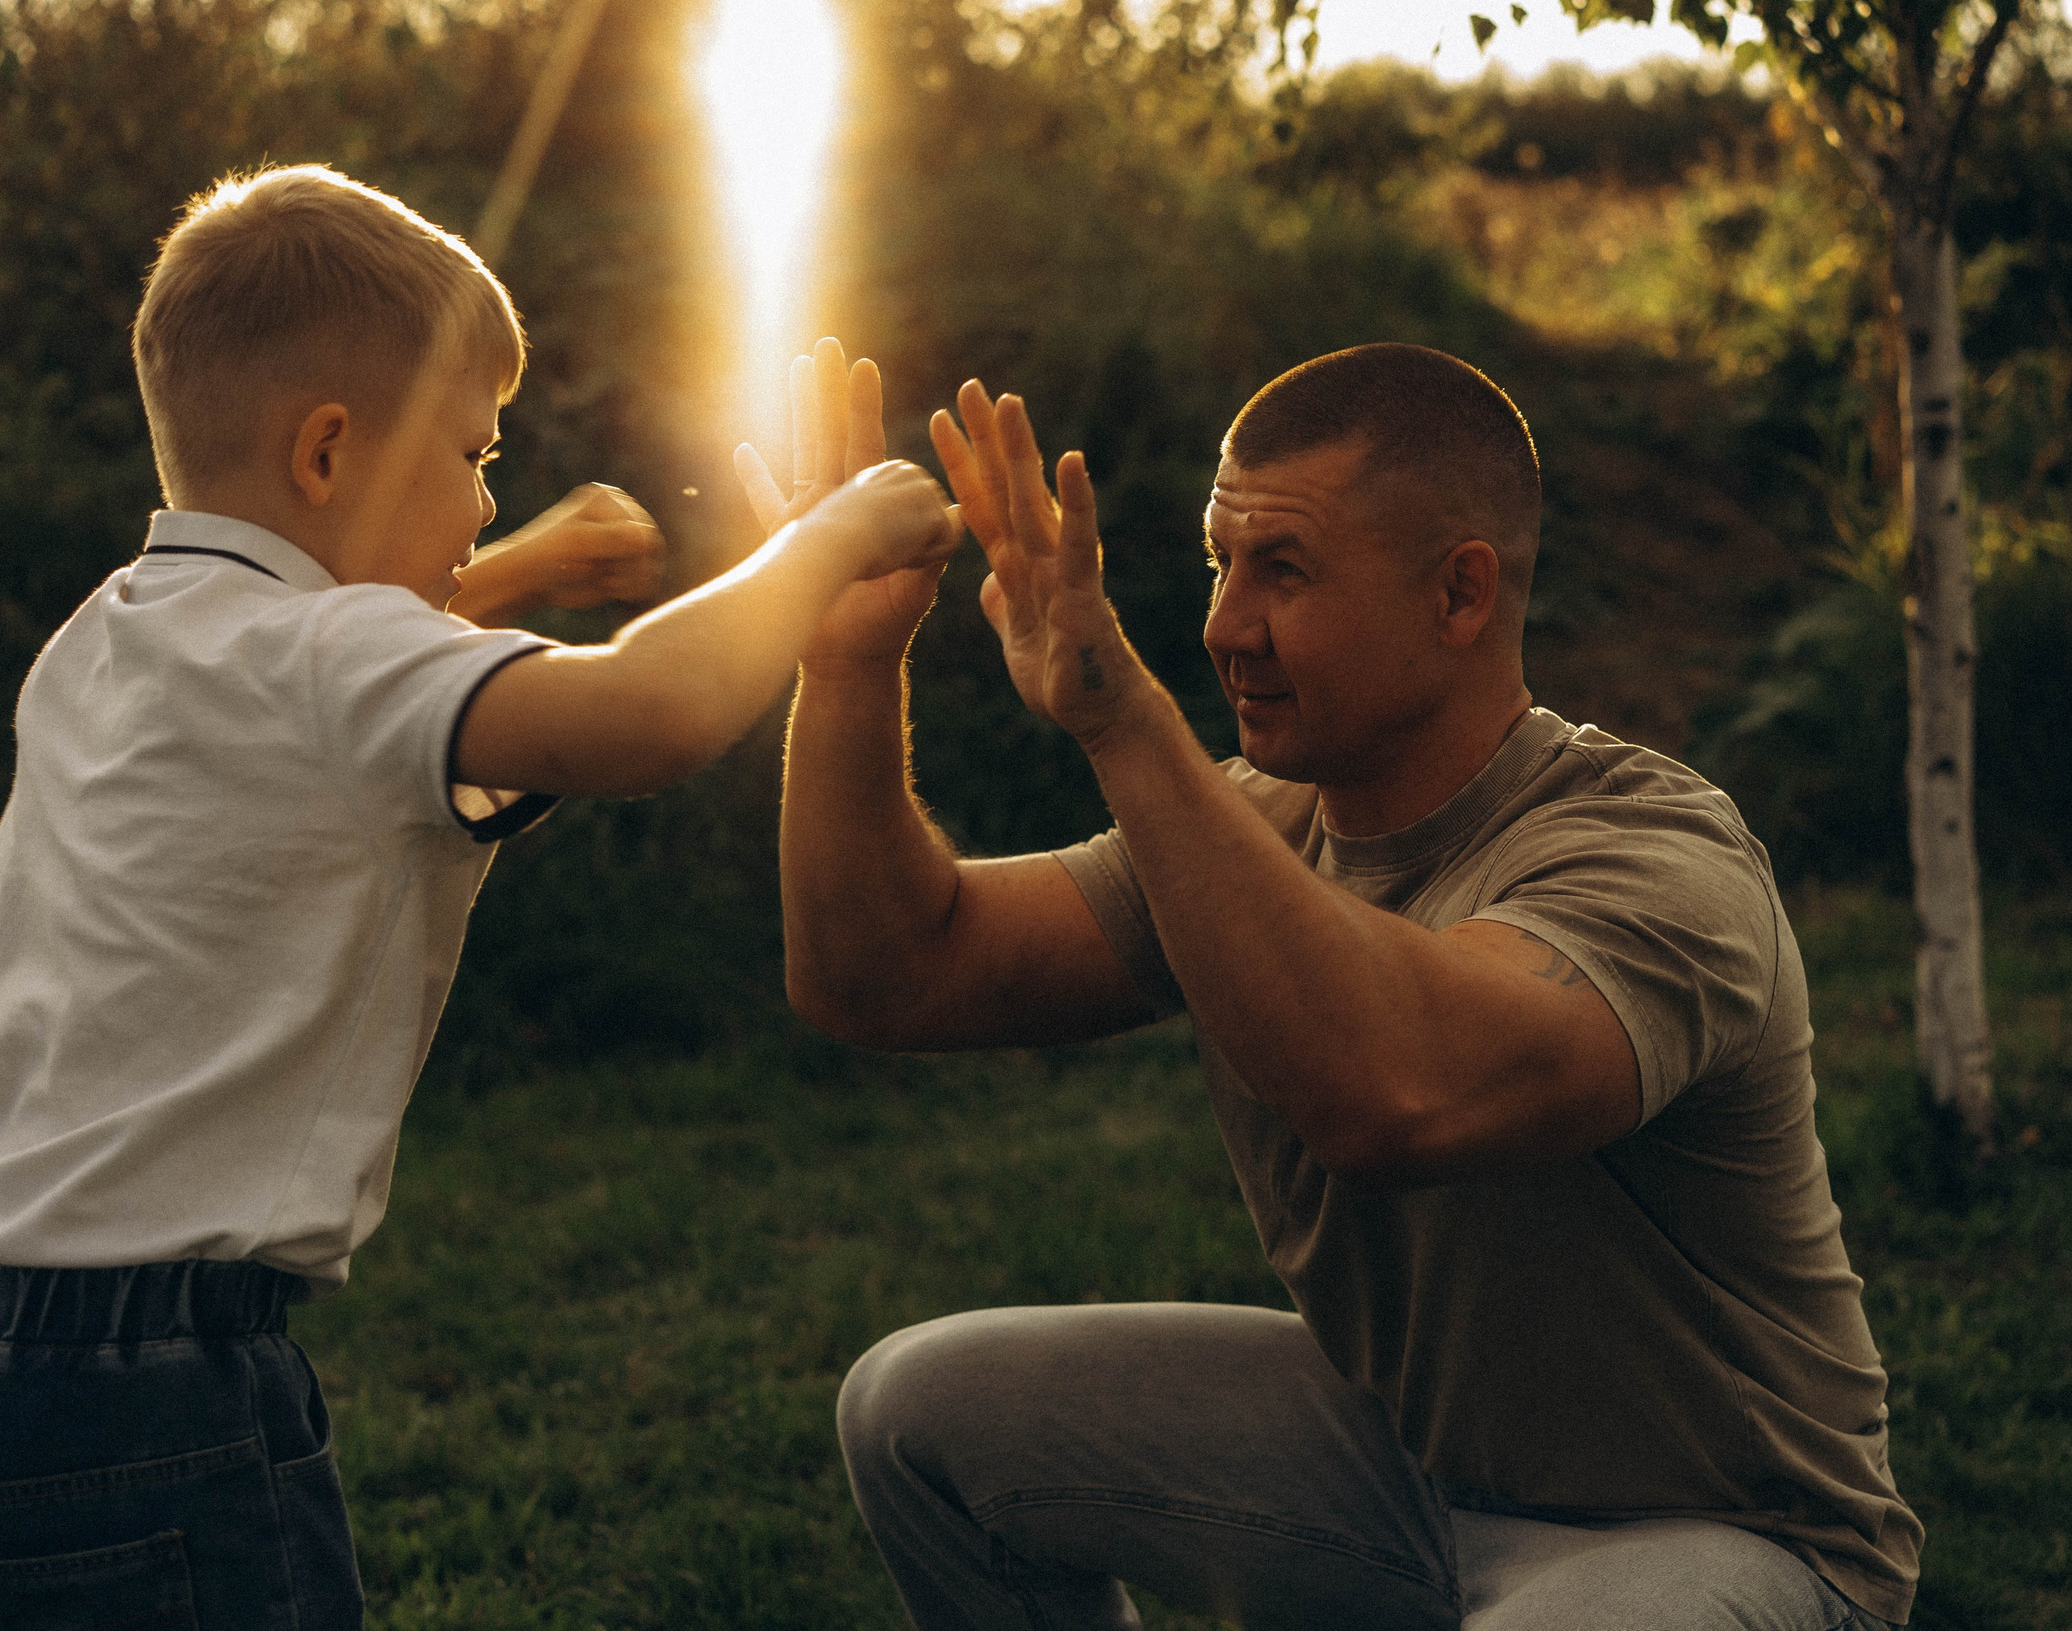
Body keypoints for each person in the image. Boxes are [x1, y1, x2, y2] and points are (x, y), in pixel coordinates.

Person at [0, 167, 959, 1630]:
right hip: (146, 1382)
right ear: (327, 452)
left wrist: (522, 568)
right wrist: (829, 540)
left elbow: (321, 663)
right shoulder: (333, 664)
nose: (485, 490)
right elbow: (652, 711)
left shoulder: (113, 633)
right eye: (470, 451)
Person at [753, 338, 1920, 1629]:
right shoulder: (1247, 830)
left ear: (1461, 594)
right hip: (1414, 1477)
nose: (1223, 625)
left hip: (1724, 1535)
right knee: (922, 1412)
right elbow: (885, 979)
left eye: (1285, 569)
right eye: (1221, 561)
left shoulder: (1652, 858)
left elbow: (1400, 1099)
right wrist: (848, 666)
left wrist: (1118, 714)